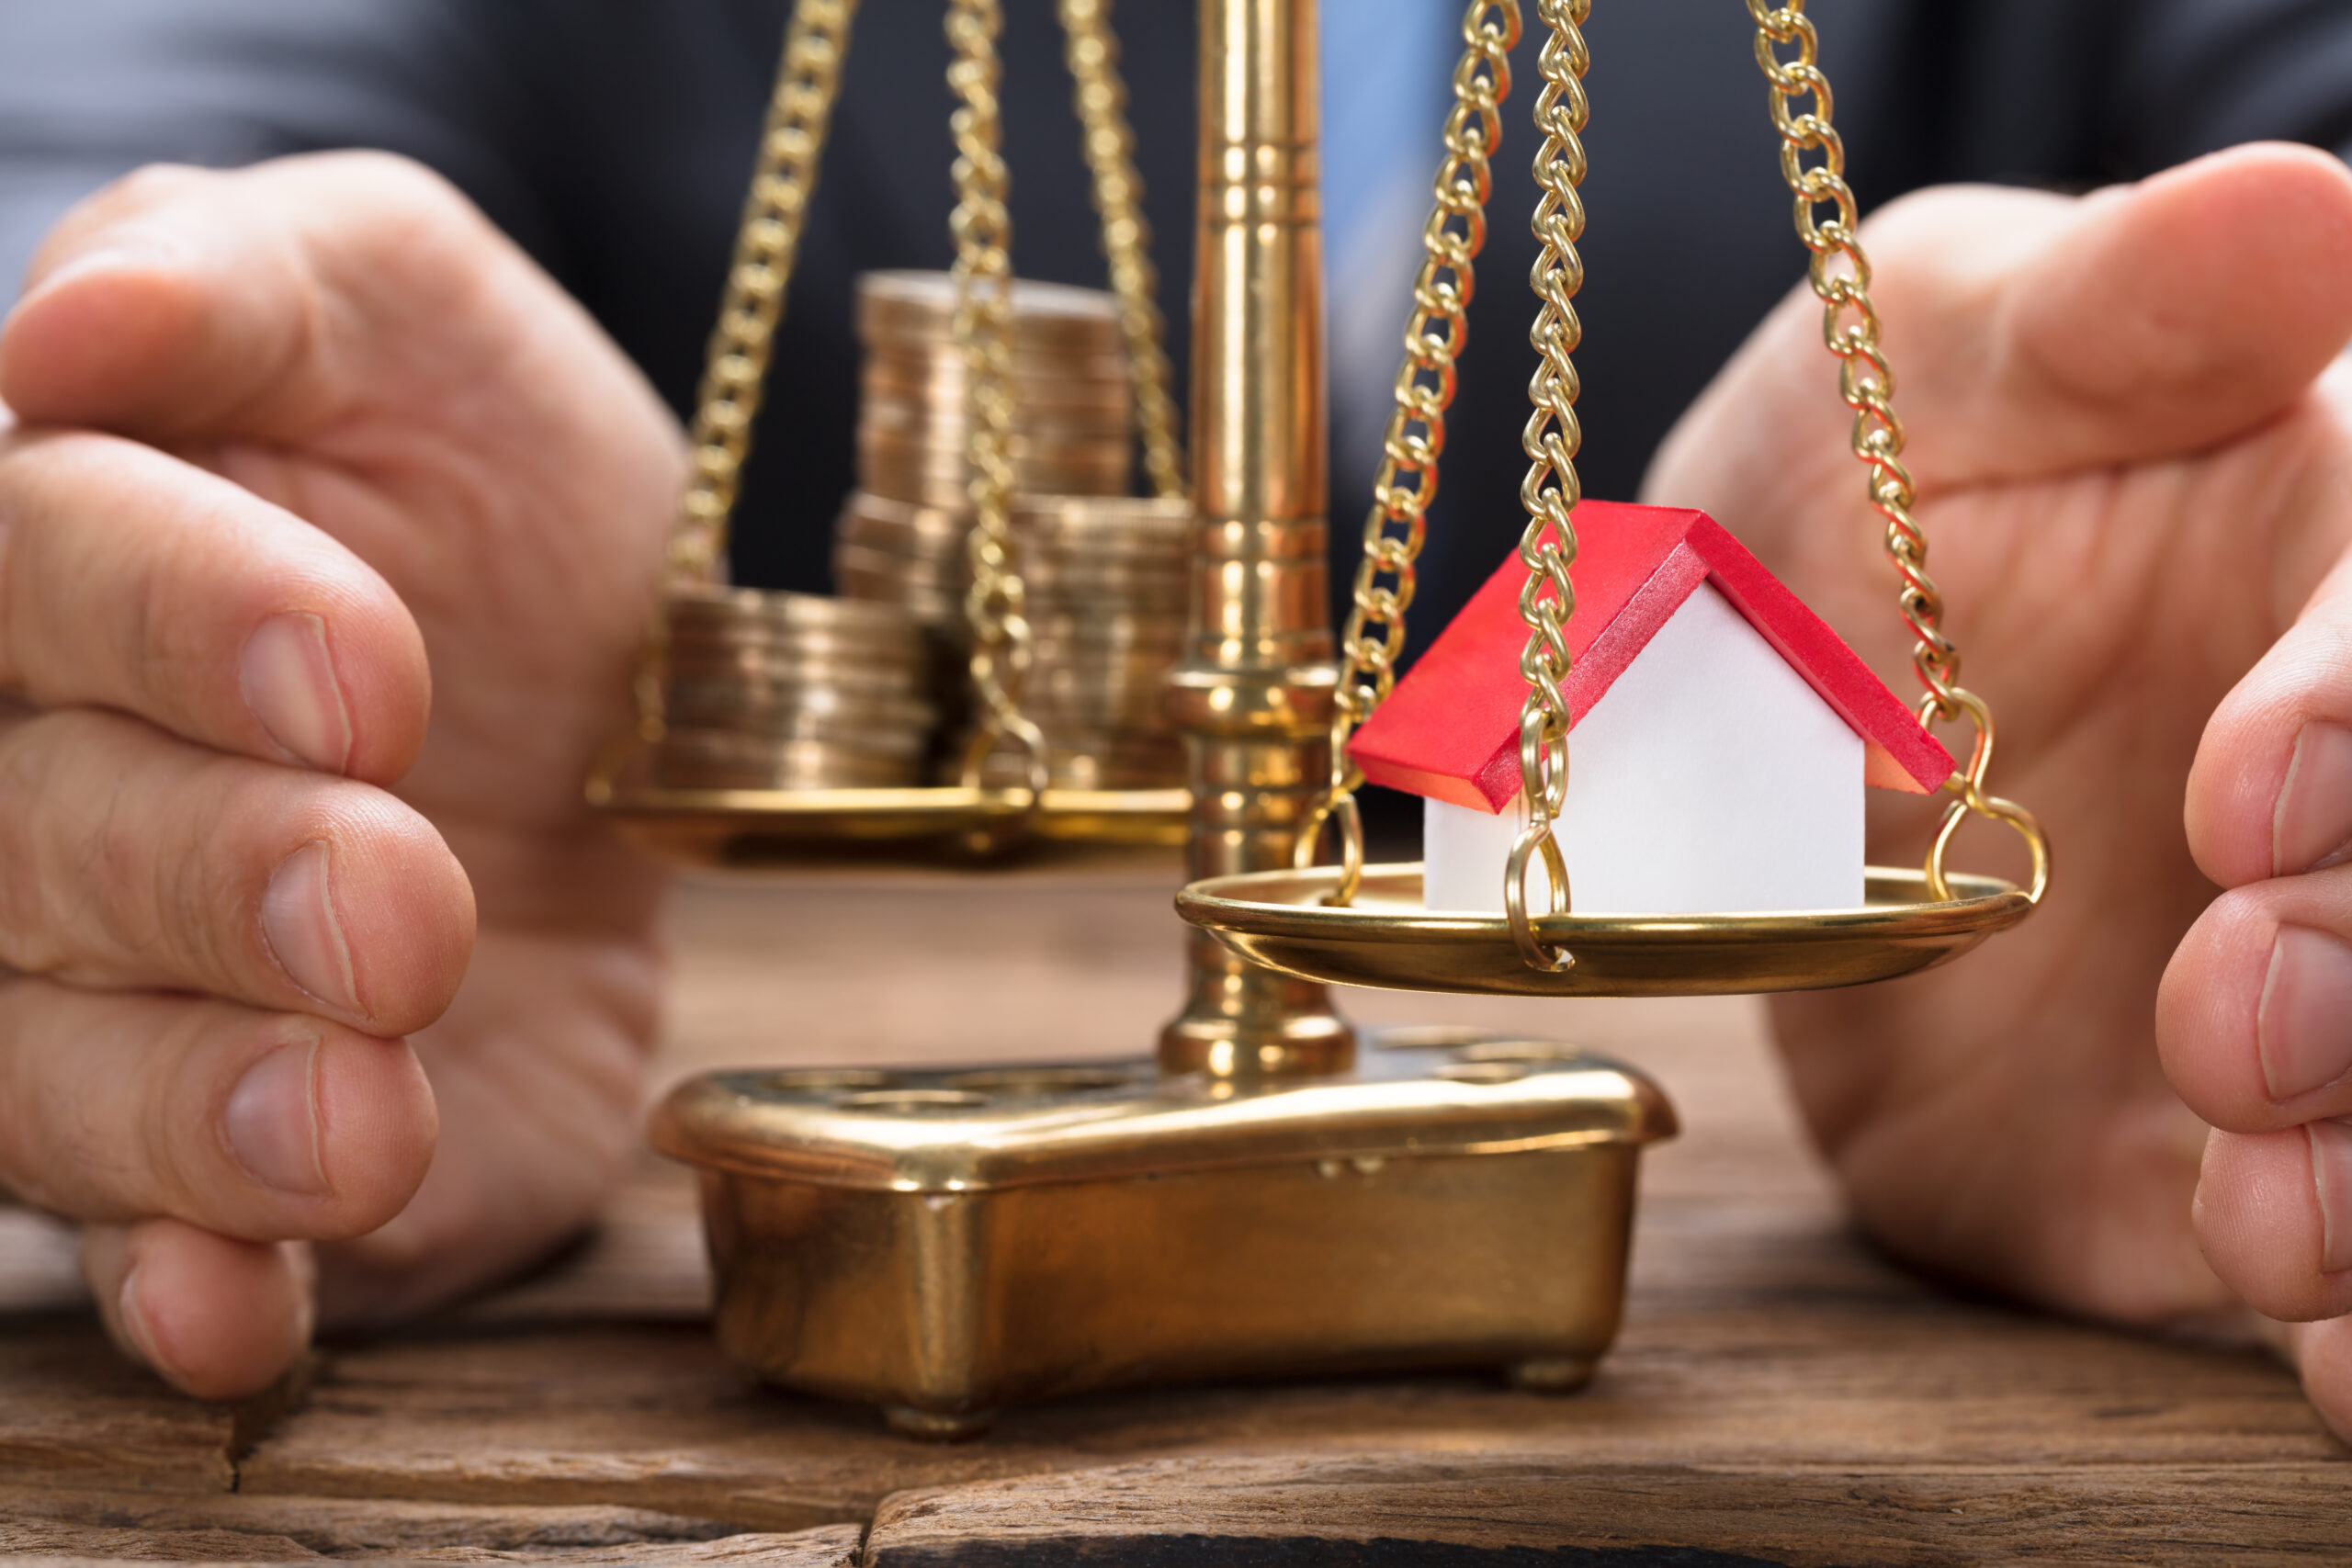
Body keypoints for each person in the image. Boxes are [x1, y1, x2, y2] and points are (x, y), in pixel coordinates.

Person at [0, 0, 2348, 1445]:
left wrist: (2288, 528)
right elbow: (113, 127)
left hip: (2047, 984)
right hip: (506, 937)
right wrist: (128, 552)